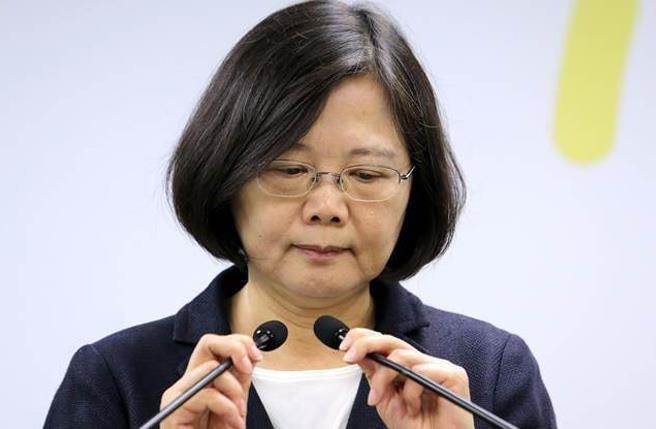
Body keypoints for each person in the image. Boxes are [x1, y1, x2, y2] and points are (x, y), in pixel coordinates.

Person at [45, 1, 557, 428]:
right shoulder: (116, 380)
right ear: (226, 175)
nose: (327, 208)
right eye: (290, 170)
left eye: (367, 175)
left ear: (413, 192)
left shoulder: (490, 374)